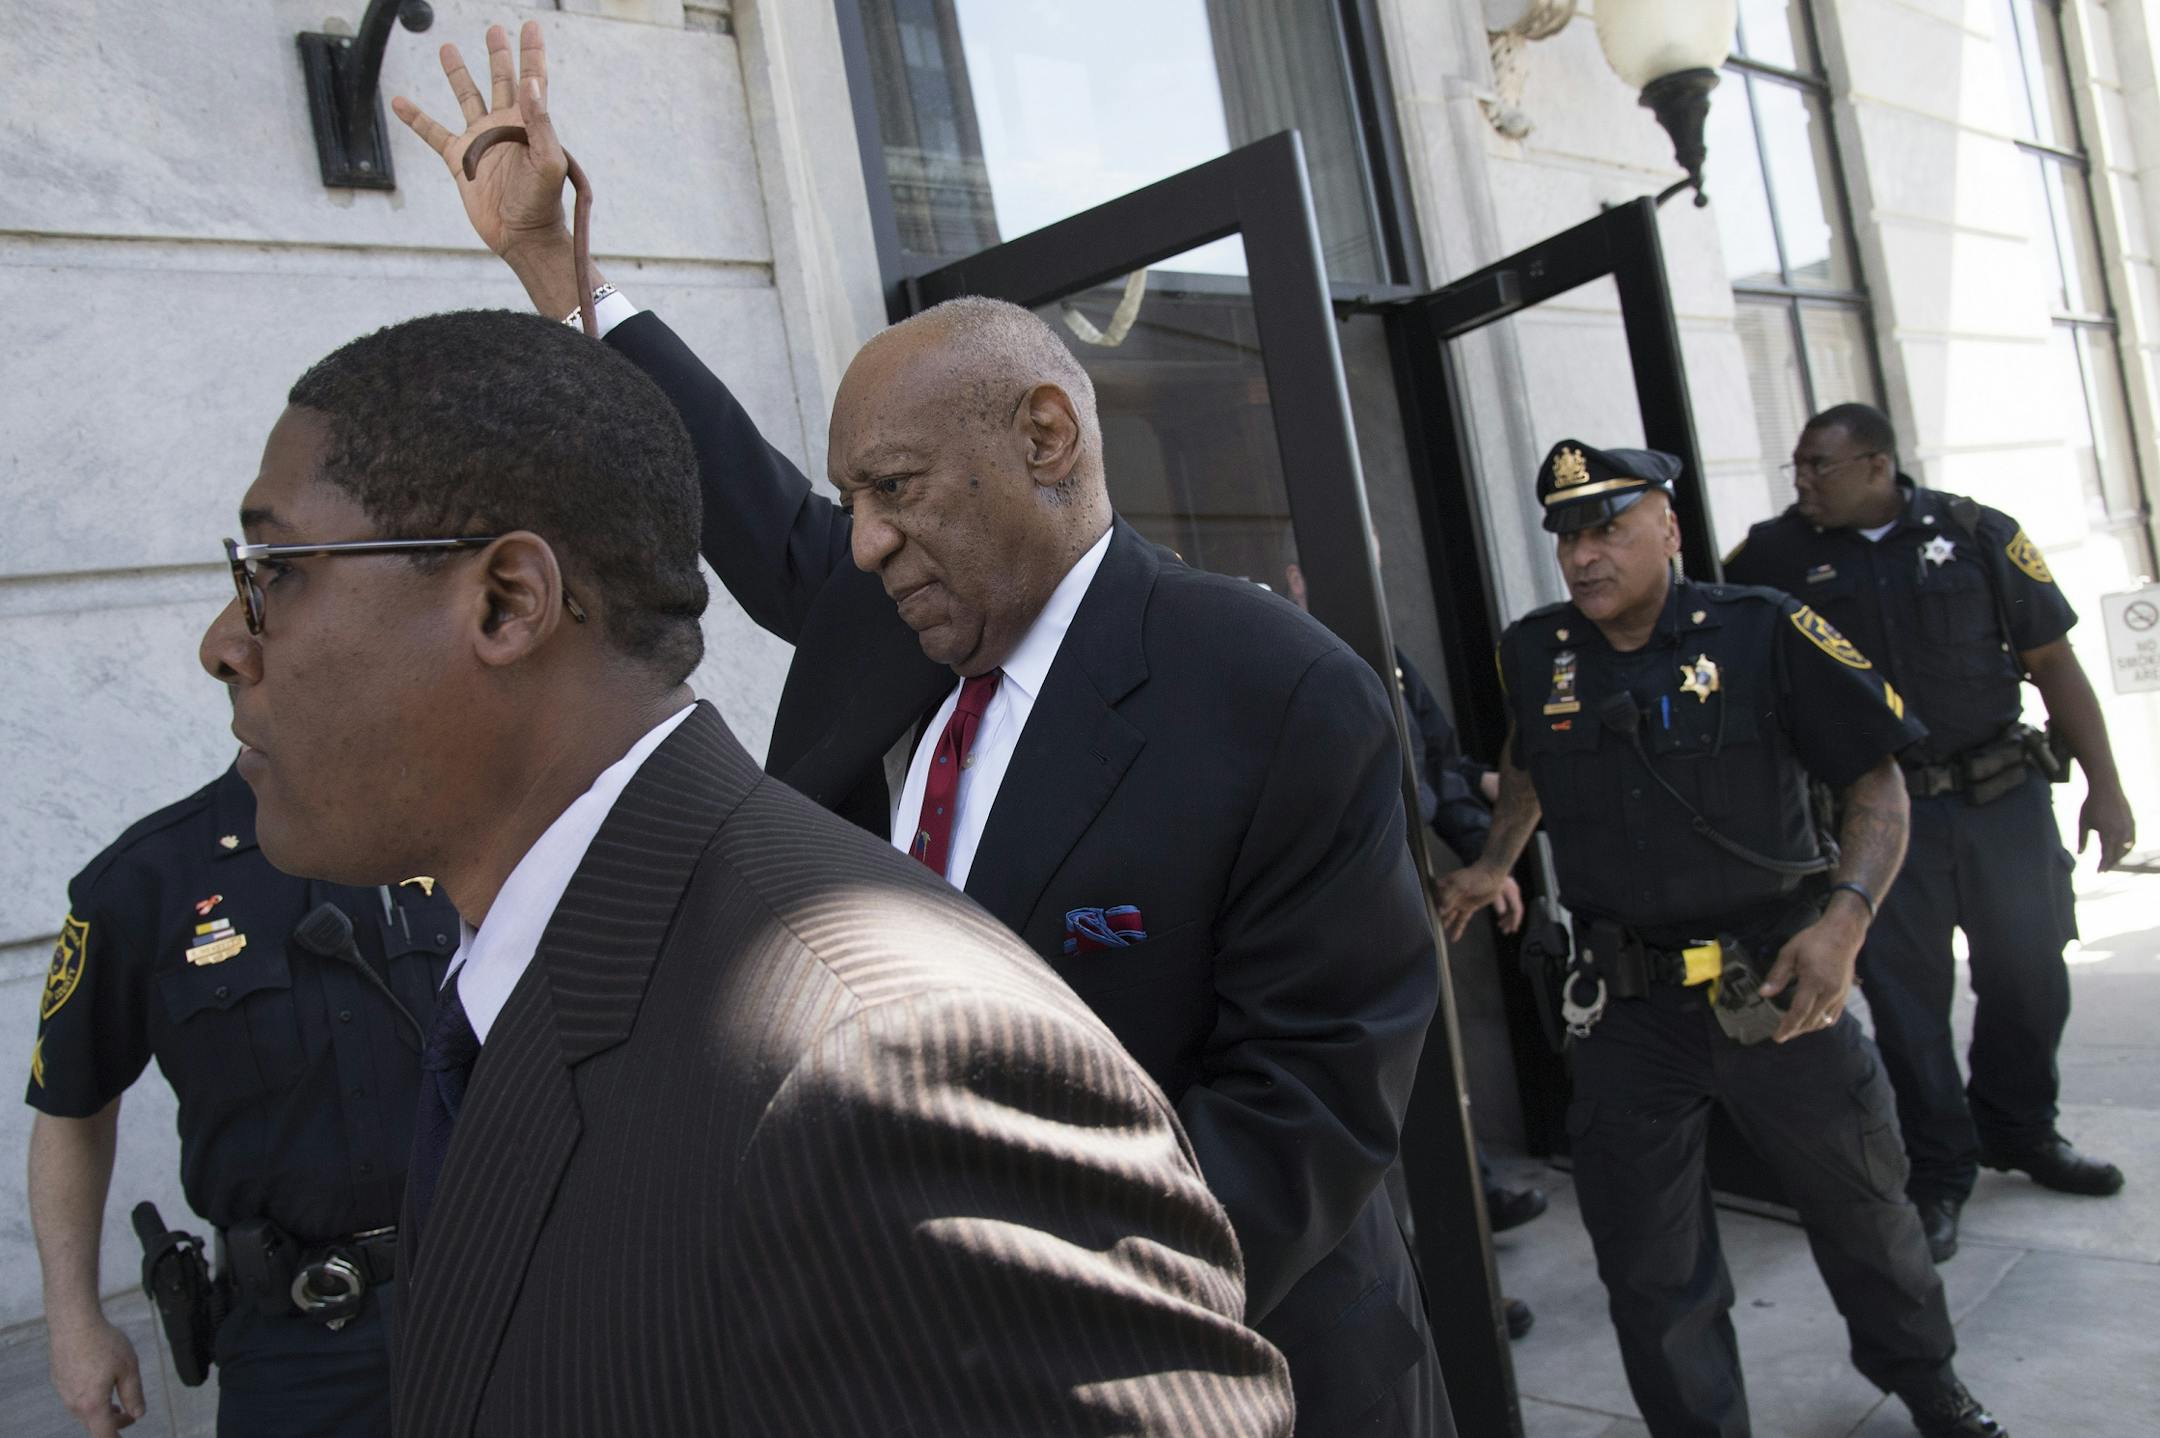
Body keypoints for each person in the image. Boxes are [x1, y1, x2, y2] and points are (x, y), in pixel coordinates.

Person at [395, 26, 1445, 1434]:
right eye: (854, 500)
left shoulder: (1277, 695)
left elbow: (1306, 1114)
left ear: (1047, 440)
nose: (867, 539)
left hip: (1192, 1354)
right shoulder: (891, 606)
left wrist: (989, 1289)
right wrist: (559, 278)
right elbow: (735, 491)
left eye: (895, 488)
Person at [196, 307, 1293, 1437]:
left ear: (508, 600)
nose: (225, 640)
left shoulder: (879, 1058)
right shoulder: (525, 975)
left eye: (273, 567)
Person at [1437, 441, 2007, 1437]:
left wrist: (1845, 921)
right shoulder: (1537, 650)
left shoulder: (1762, 630)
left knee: (1865, 1203)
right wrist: (1496, 859)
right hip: (1626, 1002)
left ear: (1669, 527)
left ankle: (1925, 1376)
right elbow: (1528, 752)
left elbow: (1878, 780)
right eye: (1568, 536)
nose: (1583, 556)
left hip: (1779, 980)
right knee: (1648, 1256)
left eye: (1609, 528)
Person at [1724, 403, 2133, 1261]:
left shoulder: (1978, 534)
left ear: (1876, 465)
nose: (1800, 482)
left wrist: (2108, 787)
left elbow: (2054, 663)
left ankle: (2021, 1130)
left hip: (2001, 801)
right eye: (1795, 466)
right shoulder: (1774, 558)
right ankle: (1940, 1168)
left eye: (1817, 466)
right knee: (1908, 1005)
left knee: (2030, 976)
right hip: (1881, 820)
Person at [26, 763, 459, 1438]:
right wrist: (74, 1320)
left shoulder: (449, 825)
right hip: (296, 1347)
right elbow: (71, 1111)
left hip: (488, 1291)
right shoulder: (147, 878)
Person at [1287, 560, 1546, 1340]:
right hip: (1316, 927)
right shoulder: (1279, 658)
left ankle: (1471, 1220)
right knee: (1372, 1106)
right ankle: (1446, 1292)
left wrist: (1486, 859)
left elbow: (1434, 765)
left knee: (1430, 1082)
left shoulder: (1385, 652)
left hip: (1407, 905)